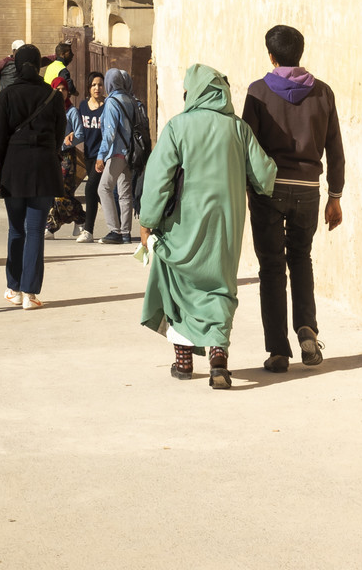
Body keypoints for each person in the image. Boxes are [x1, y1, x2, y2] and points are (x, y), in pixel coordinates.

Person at [138, 62, 275, 390]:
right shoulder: (238, 129)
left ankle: (184, 361)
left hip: (182, 226)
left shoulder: (177, 127)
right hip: (224, 229)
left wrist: (147, 222)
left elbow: (158, 180)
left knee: (178, 287)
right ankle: (217, 356)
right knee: (219, 288)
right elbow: (265, 176)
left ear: (194, 92)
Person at [241, 24, 345, 372]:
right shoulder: (324, 93)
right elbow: (335, 150)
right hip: (307, 192)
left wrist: (245, 189)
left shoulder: (257, 93)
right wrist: (335, 196)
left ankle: (278, 351)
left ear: (270, 55)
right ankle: (307, 330)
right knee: (301, 258)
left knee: (271, 268)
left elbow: (247, 148)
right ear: (299, 53)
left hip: (269, 191)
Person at [0, 42, 68, 308]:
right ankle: (30, 294)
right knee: (35, 231)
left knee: (16, 229)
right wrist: (47, 151)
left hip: (14, 169)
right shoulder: (52, 96)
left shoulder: (7, 95)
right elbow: (59, 133)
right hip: (43, 168)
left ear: (17, 65)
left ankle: (13, 287)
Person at [95, 66, 147, 243]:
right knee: (125, 193)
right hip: (131, 154)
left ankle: (114, 231)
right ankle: (125, 233)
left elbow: (109, 132)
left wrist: (101, 156)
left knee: (103, 188)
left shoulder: (111, 102)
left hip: (116, 153)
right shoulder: (130, 100)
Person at [68, 71, 105, 244]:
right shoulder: (82, 107)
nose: (97, 88)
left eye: (100, 84)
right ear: (89, 88)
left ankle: (88, 230)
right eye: (94, 85)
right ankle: (118, 226)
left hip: (102, 156)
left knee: (90, 189)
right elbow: (80, 132)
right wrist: (71, 136)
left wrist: (103, 156)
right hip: (89, 156)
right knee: (102, 193)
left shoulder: (107, 106)